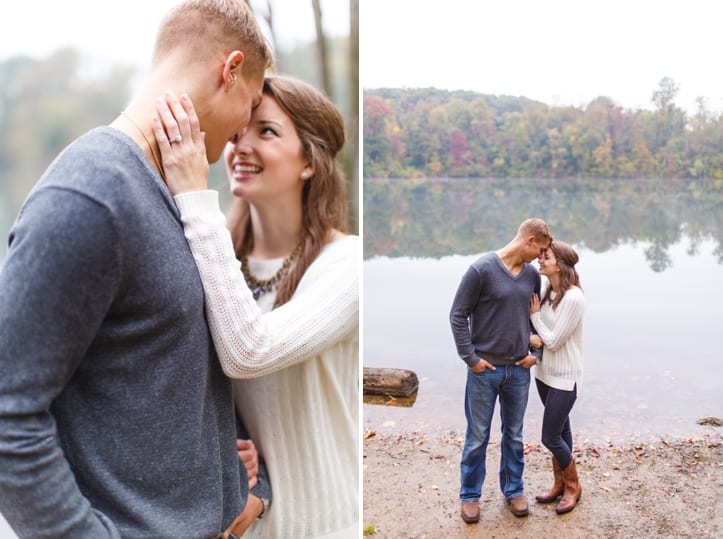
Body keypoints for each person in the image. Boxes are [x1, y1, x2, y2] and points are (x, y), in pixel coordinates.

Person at [0, 2, 272, 537]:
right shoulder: (92, 193)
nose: (244, 128)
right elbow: (9, 413)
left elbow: (169, 363)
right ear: (230, 69)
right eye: (253, 104)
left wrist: (241, 488)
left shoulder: (177, 194)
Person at [151, 73, 359, 537]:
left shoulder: (346, 266)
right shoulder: (217, 256)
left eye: (265, 131)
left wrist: (191, 195)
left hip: (325, 525)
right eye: (238, 130)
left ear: (310, 161)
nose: (240, 146)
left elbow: (249, 351)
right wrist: (235, 456)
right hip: (239, 527)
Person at [449, 218, 553, 523]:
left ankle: (514, 490)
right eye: (540, 250)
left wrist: (536, 353)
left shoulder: (532, 276)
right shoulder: (481, 270)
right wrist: (471, 359)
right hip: (485, 370)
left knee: (515, 435)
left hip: (519, 371)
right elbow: (458, 316)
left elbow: (536, 318)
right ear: (530, 240)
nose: (540, 257)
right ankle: (470, 495)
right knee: (478, 435)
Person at [529, 240, 585, 514]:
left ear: (560, 264)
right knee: (562, 431)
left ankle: (574, 486)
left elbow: (552, 341)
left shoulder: (574, 298)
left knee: (550, 436)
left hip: (565, 378)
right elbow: (541, 339)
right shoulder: (548, 292)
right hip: (544, 375)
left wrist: (536, 319)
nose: (540, 260)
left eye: (545, 256)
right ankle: (559, 484)